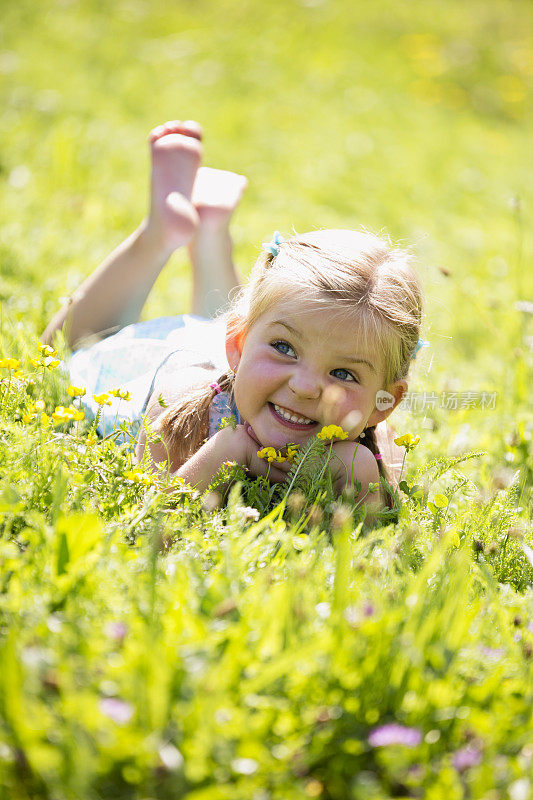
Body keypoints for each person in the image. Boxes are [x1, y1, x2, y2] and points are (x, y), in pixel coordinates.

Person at [43, 120, 423, 513]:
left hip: (237, 355)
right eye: (285, 348)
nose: (307, 387)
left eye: (343, 374)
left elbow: (371, 538)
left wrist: (360, 477)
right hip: (154, 358)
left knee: (263, 325)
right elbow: (147, 519)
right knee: (59, 352)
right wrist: (230, 448)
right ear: (236, 346)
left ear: (384, 401)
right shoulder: (177, 403)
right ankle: (158, 234)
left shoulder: (373, 446)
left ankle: (210, 233)